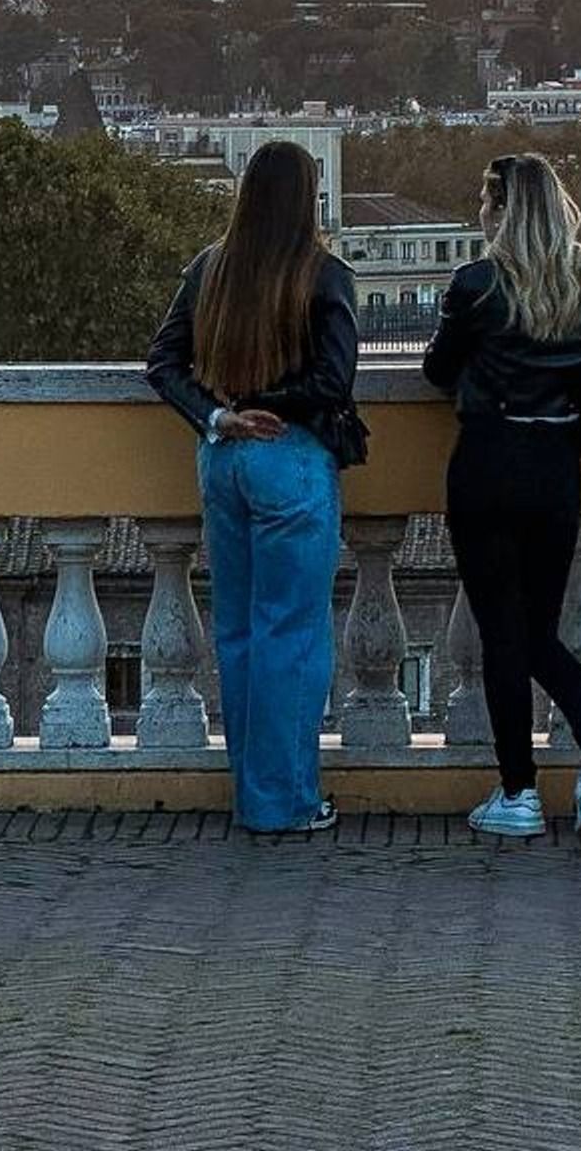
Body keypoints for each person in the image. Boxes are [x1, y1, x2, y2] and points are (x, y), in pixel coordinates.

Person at [146, 141, 366, 835]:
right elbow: (334, 381)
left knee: (239, 631)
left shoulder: (210, 269)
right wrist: (273, 402)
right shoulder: (322, 275)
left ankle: (253, 792)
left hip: (223, 457)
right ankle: (287, 801)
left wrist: (220, 414)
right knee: (292, 636)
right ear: (308, 199)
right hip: (289, 457)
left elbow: (163, 362)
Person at [422, 151, 581, 841]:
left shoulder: (478, 285)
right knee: (539, 632)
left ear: (500, 210)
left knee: (501, 633)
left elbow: (438, 370)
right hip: (557, 468)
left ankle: (518, 791)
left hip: (489, 462)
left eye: (485, 203)